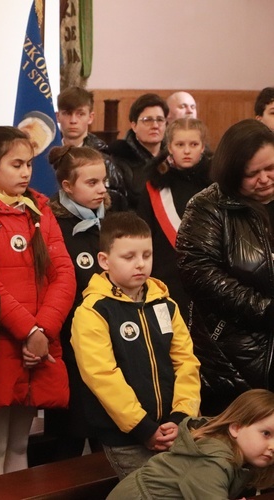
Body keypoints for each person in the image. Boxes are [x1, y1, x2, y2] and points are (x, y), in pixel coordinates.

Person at [0, 126, 76, 478]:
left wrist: (44, 329)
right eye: (16, 164)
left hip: (38, 343)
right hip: (1, 341)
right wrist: (29, 330)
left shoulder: (39, 207)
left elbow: (64, 273)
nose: (26, 172)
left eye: (29, 163)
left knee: (19, 445)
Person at [71, 211, 201, 479]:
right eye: (128, 257)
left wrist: (181, 417)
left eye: (146, 255)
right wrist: (143, 428)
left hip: (173, 429)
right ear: (104, 261)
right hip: (127, 437)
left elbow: (186, 362)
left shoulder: (165, 304)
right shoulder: (93, 311)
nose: (140, 264)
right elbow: (102, 376)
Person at [176, 119, 274, 416]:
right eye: (252, 173)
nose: (265, 179)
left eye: (270, 168)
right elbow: (197, 270)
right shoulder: (208, 206)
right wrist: (264, 310)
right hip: (232, 354)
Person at [45, 145, 110, 460]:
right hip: (70, 346)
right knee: (70, 437)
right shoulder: (53, 227)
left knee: (108, 433)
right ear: (67, 187)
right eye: (92, 183)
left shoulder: (109, 223)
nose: (101, 190)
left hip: (108, 345)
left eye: (103, 181)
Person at [107, 389, 274, 499]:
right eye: (266, 433)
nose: (273, 446)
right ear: (236, 428)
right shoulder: (211, 460)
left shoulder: (241, 458)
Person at [136, 118, 211, 324]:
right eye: (180, 145)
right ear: (169, 147)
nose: (187, 151)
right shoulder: (155, 187)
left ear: (203, 147)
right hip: (166, 277)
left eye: (193, 144)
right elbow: (144, 235)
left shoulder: (216, 185)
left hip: (209, 278)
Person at [56, 86, 129, 210]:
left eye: (80, 114)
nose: (73, 120)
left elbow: (117, 201)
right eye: (67, 113)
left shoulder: (103, 158)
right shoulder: (46, 155)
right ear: (58, 116)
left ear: (90, 117)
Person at [108, 94, 169, 208]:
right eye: (148, 120)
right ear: (134, 125)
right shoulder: (118, 159)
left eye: (160, 120)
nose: (155, 125)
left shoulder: (173, 158)